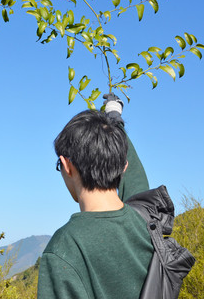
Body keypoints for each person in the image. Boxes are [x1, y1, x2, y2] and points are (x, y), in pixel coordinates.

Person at [37, 94, 153, 299]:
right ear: (124, 166)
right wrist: (115, 116)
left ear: (66, 166)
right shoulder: (148, 221)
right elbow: (136, 181)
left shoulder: (65, 249)